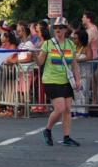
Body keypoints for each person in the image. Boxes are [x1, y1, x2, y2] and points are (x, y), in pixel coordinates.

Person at [35, 17, 82, 147]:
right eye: (55, 27)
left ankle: (67, 137)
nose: (58, 30)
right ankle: (47, 129)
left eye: (60, 27)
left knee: (67, 109)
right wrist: (34, 55)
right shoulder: (48, 44)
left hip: (66, 80)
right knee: (60, 108)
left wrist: (78, 79)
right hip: (51, 79)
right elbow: (40, 62)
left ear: (66, 29)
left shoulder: (70, 44)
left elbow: (74, 64)